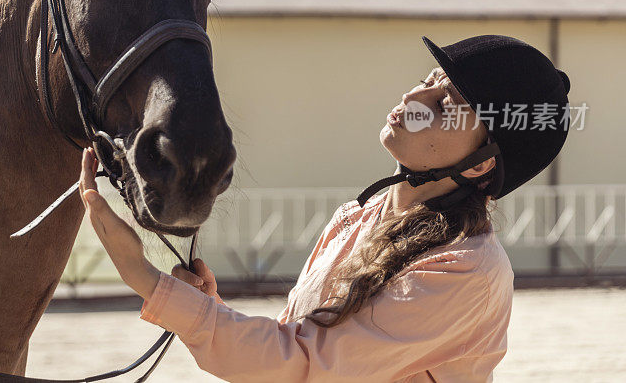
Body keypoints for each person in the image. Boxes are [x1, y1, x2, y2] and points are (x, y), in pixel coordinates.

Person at [78, 34, 572, 382]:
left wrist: (145, 278)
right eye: (429, 78)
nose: (416, 96)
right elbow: (295, 349)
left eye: (447, 103)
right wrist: (206, 309)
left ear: (482, 167)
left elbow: (304, 369)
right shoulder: (361, 215)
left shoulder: (467, 270)